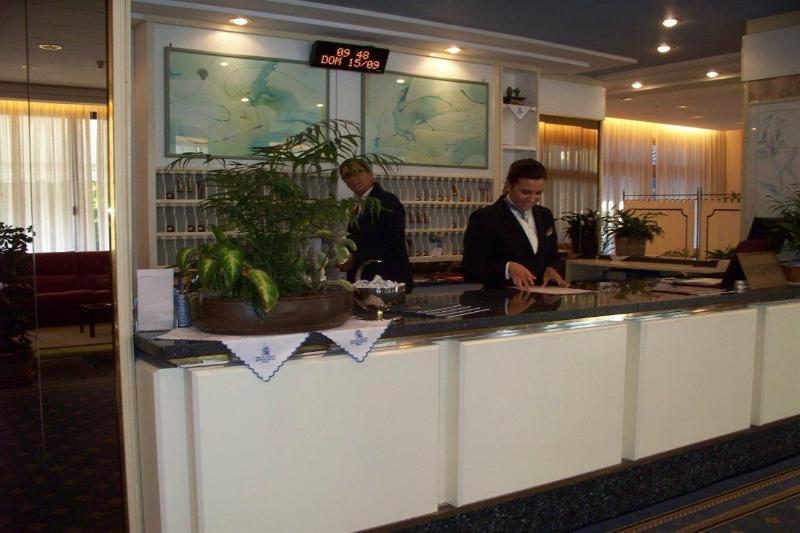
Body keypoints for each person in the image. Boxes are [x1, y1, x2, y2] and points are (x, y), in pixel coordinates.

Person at [462, 158, 568, 289]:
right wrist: (507, 268)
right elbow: (470, 270)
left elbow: (552, 255)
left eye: (538, 193)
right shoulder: (485, 218)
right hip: (500, 298)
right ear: (508, 185)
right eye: (525, 192)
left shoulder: (545, 215)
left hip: (541, 296)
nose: (532, 199)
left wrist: (551, 268)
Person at [338, 157, 413, 288]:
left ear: (370, 174)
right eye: (348, 175)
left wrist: (355, 258)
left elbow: (391, 241)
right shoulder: (358, 204)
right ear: (345, 182)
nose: (354, 178)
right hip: (365, 277)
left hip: (386, 279)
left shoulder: (387, 201)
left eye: (358, 172)